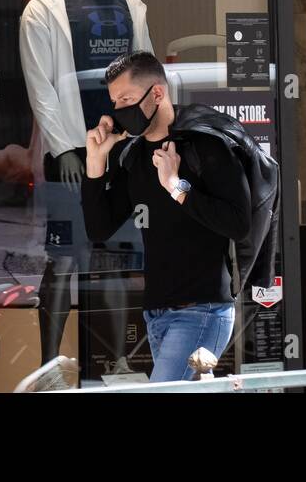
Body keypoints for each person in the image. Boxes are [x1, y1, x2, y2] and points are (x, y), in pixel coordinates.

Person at [81, 51, 252, 383]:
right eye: (115, 102)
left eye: (126, 98)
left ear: (156, 94)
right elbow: (98, 228)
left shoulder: (205, 144)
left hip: (203, 310)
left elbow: (238, 223)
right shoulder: (134, 158)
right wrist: (95, 162)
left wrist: (178, 187)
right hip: (156, 315)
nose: (118, 110)